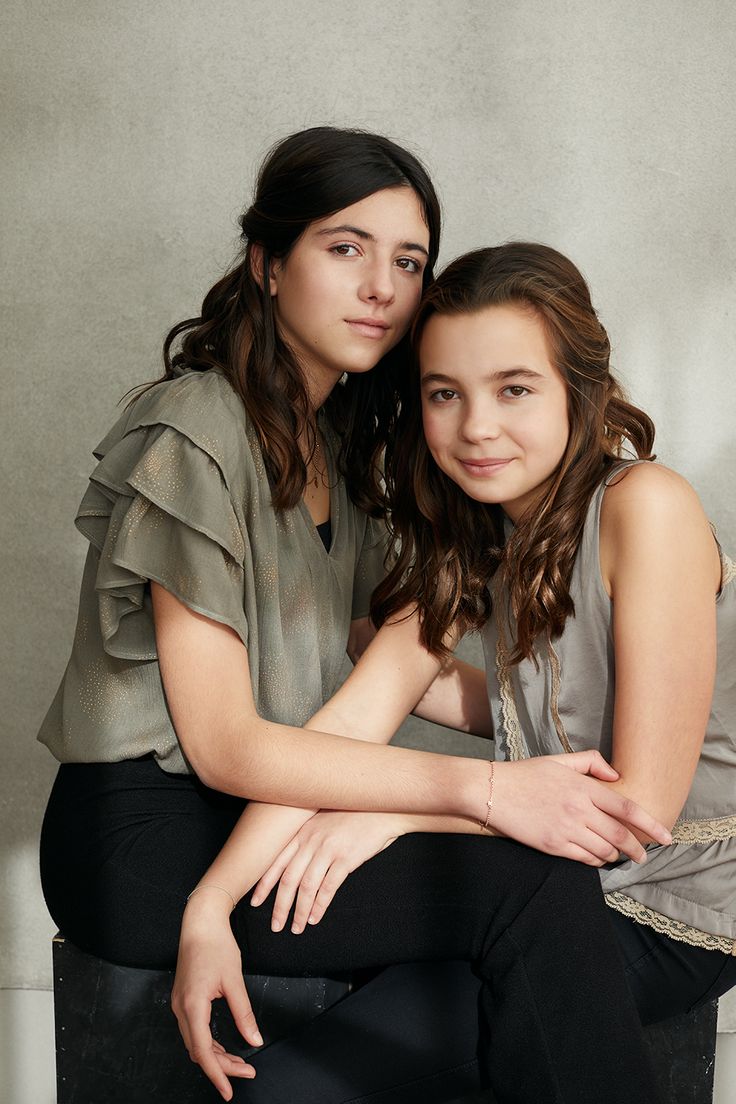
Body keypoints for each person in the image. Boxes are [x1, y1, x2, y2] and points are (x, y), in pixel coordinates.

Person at [38, 128, 670, 1104]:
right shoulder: (198, 427)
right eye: (345, 248)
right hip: (139, 837)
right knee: (527, 885)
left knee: (526, 889)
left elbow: (385, 659)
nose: (381, 286)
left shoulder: (335, 447)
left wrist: (558, 725)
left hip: (251, 817)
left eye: (408, 261)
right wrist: (484, 792)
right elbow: (225, 746)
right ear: (267, 264)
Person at [171, 244, 736, 1103]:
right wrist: (209, 904)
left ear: (579, 389)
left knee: (281, 1091)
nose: (476, 427)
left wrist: (395, 813)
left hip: (667, 910)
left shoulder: (646, 506)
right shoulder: (476, 531)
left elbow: (635, 816)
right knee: (279, 996)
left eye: (515, 389)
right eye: (445, 394)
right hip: (541, 887)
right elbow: (351, 723)